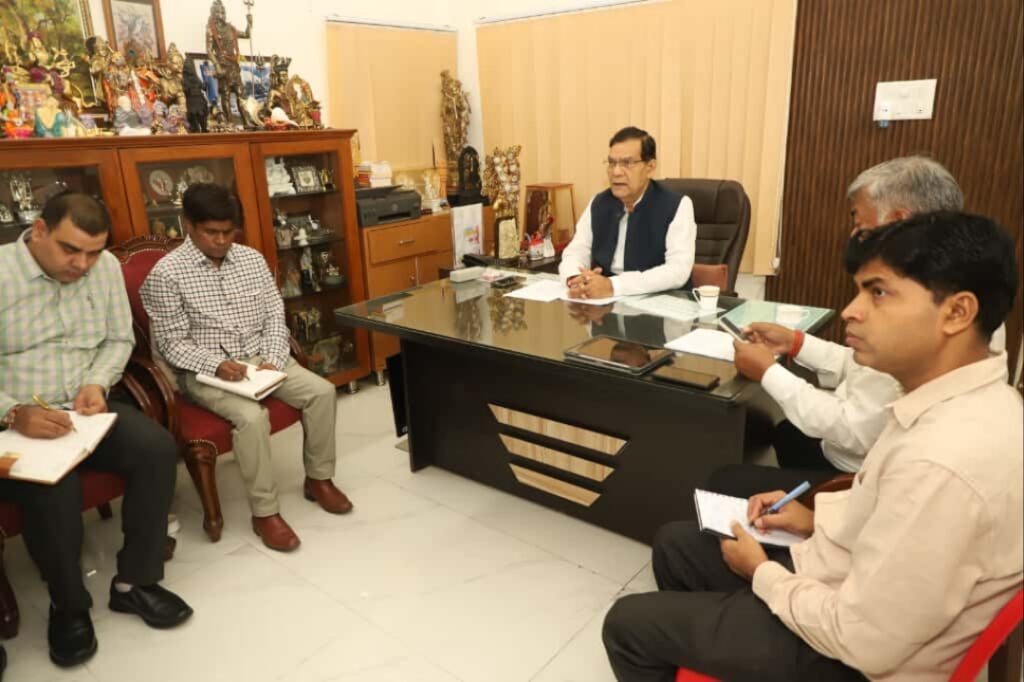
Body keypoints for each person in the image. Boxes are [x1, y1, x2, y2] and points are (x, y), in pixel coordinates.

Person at [602, 211, 1023, 681]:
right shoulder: (961, 399)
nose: (851, 311)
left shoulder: (944, 462)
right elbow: (889, 518)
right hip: (843, 583)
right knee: (675, 545)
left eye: (878, 292)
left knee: (627, 625)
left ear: (957, 313)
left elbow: (864, 640)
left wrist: (763, 575)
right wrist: (813, 520)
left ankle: (721, 636)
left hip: (850, 655)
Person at [722, 156, 1006, 495]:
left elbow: (854, 430)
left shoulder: (926, 315)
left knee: (729, 475)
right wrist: (797, 343)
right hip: (867, 458)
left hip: (860, 474)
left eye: (859, 222)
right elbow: (865, 369)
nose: (850, 311)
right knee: (784, 432)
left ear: (898, 221)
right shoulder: (952, 288)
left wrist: (768, 372)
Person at [0, 192, 192, 668]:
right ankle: (68, 607)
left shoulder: (104, 267)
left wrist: (97, 383)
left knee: (156, 449)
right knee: (53, 488)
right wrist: (13, 412)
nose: (82, 264)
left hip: (86, 408)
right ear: (39, 230)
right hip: (19, 421)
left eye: (93, 252)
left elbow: (119, 338)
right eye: (70, 250)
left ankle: (135, 583)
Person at [141, 183, 353, 553]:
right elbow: (172, 344)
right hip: (204, 371)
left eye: (228, 232)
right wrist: (217, 364)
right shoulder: (166, 274)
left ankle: (319, 479)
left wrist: (272, 357)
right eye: (211, 232)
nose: (222, 241)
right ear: (187, 224)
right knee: (252, 419)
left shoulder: (251, 260)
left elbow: (274, 315)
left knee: (321, 392)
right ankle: (265, 512)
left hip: (261, 359)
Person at [558, 126, 696, 299]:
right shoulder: (599, 202)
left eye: (627, 163)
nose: (616, 172)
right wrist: (575, 277)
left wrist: (614, 286)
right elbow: (576, 250)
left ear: (650, 167)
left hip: (657, 302)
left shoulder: (677, 205)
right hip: (604, 305)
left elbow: (678, 270)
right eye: (612, 163)